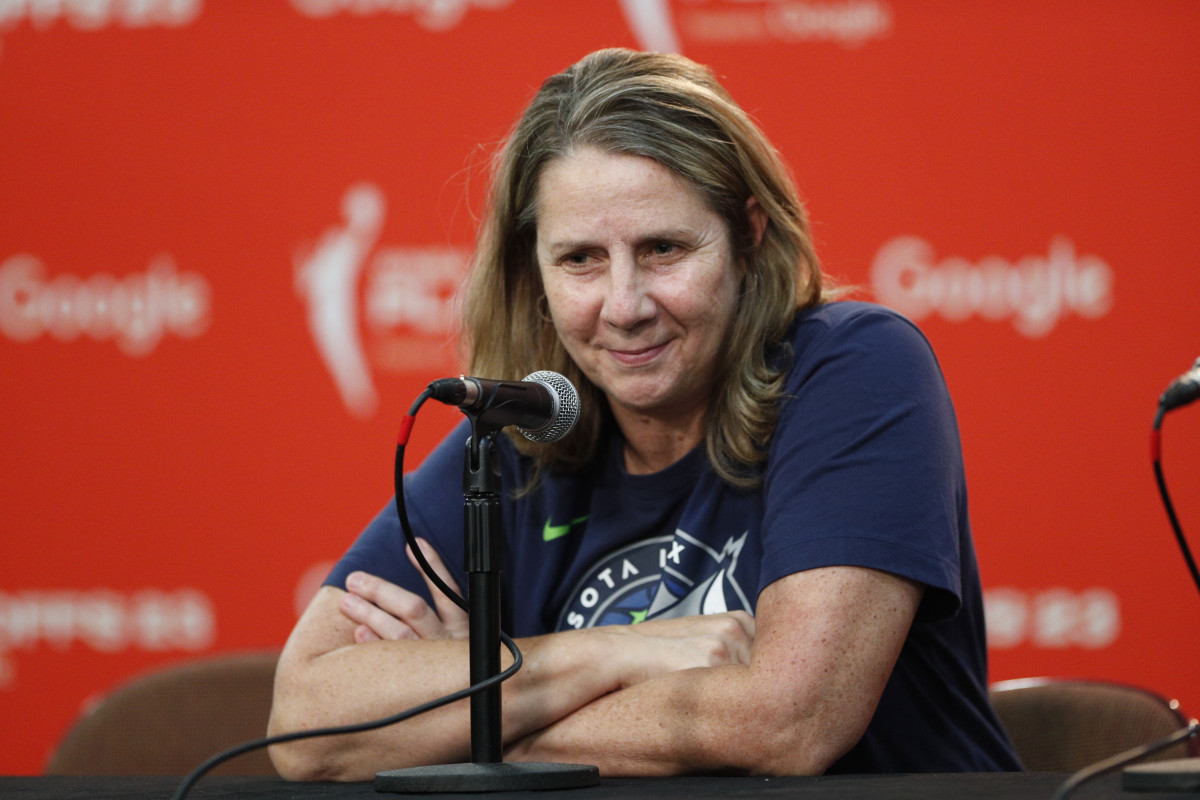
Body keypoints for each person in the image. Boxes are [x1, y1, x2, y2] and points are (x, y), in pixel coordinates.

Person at [268, 48, 1022, 780]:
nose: (623, 306)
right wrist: (613, 654)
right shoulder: (520, 435)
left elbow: (790, 721)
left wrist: (468, 715)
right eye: (580, 259)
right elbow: (306, 728)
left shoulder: (853, 370)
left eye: (663, 248)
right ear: (535, 269)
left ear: (748, 236)